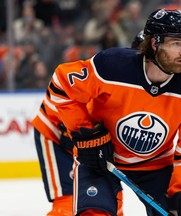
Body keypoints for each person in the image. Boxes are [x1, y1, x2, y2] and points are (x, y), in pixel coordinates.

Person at [45, 8, 181, 216]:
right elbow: (62, 83)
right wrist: (84, 132)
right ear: (154, 43)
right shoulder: (111, 66)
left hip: (155, 166)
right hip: (101, 158)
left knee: (177, 211)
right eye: (176, 43)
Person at [31, 29, 149, 216]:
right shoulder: (113, 75)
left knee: (110, 201)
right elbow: (70, 113)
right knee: (69, 201)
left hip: (92, 142)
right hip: (57, 134)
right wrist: (89, 143)